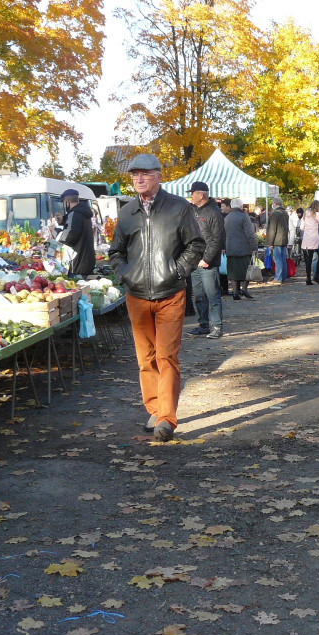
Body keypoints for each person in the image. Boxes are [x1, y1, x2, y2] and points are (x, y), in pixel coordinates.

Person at [109, 154, 205, 442]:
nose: (138, 179)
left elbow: (196, 243)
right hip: (136, 295)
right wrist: (124, 274)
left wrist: (178, 271)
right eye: (134, 174)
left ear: (159, 176)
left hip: (170, 293)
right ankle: (154, 408)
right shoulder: (126, 212)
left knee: (166, 356)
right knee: (145, 358)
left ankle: (166, 418)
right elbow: (116, 252)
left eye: (145, 173)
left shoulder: (178, 208)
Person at [187, 181, 225, 339]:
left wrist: (207, 259)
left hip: (207, 263)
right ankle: (203, 324)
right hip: (195, 261)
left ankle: (216, 326)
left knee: (212, 295)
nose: (190, 196)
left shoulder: (214, 212)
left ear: (201, 195)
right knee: (199, 296)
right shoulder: (194, 211)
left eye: (192, 193)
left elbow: (217, 239)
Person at [54, 189, 97, 278]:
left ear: (68, 202)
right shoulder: (83, 212)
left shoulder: (75, 214)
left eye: (64, 202)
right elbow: (76, 227)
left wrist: (55, 231)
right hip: (87, 260)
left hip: (77, 262)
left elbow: (68, 238)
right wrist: (64, 220)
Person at [225, 195, 257, 301]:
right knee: (246, 270)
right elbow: (250, 234)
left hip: (230, 248)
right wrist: (254, 247)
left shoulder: (227, 217)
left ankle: (235, 292)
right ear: (241, 206)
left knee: (233, 271)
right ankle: (244, 289)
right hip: (244, 249)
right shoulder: (244, 217)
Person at [265, 198, 290, 284]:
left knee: (277, 259)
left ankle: (278, 278)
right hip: (284, 238)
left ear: (275, 204)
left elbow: (272, 229)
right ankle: (283, 277)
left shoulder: (275, 213)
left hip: (277, 239)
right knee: (283, 259)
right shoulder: (285, 212)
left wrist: (270, 242)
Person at [300, 201, 319, 285]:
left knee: (308, 260)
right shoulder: (317, 215)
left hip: (306, 238)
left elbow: (302, 227)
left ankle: (308, 278)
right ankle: (316, 275)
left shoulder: (305, 214)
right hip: (315, 237)